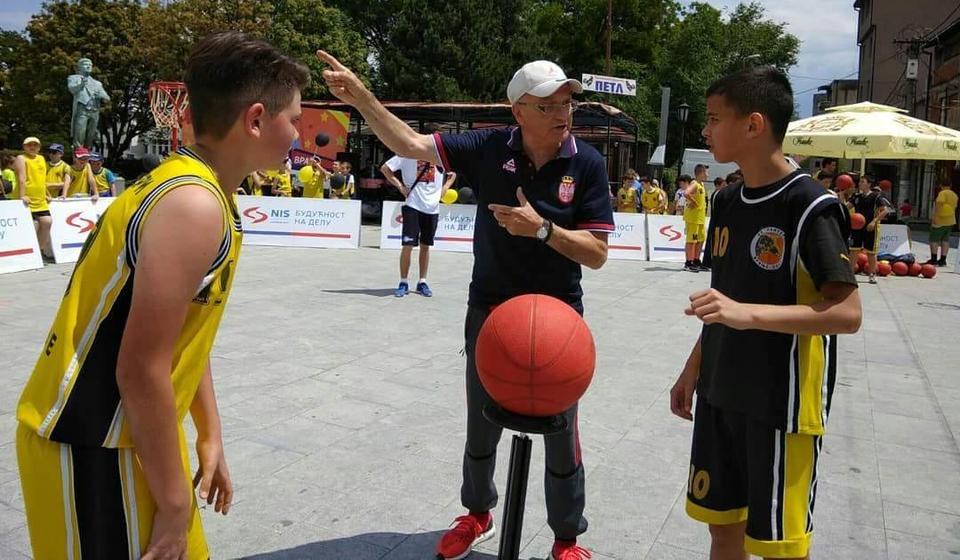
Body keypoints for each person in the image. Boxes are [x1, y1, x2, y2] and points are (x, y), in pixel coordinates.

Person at [15, 31, 309, 559]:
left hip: (135, 436)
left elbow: (182, 334)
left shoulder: (201, 190)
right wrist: (174, 506)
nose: (299, 133)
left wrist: (209, 431)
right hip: (94, 443)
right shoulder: (192, 205)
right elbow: (139, 366)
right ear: (257, 119)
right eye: (295, 118)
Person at [320, 52, 612, 560]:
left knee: (563, 431)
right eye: (548, 104)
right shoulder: (486, 146)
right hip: (492, 310)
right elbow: (411, 144)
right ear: (518, 110)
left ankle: (567, 537)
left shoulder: (586, 162)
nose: (563, 112)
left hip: (558, 315)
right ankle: (477, 513)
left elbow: (598, 255)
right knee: (482, 420)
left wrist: (541, 229)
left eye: (567, 101)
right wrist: (362, 98)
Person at [671, 65, 862, 560]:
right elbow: (725, 298)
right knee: (722, 528)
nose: (705, 130)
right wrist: (693, 368)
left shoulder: (811, 206)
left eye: (714, 118)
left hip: (781, 404)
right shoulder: (728, 201)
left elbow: (847, 313)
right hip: (721, 391)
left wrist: (749, 315)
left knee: (779, 546)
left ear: (753, 125)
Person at [381, 155, 456, 297]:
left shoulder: (440, 155)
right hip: (413, 205)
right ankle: (403, 282)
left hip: (432, 208)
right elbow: (385, 168)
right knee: (408, 245)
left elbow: (452, 173)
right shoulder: (407, 153)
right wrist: (400, 187)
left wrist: (446, 186)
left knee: (426, 246)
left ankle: (422, 281)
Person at [14, 137, 53, 261]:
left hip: (40, 200)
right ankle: (24, 253)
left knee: (47, 221)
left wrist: (46, 194)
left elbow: (42, 179)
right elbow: (22, 178)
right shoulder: (21, 158)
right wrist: (22, 196)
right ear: (24, 147)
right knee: (27, 226)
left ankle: (39, 252)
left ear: (39, 147)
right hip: (26, 199)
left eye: (35, 145)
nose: (32, 147)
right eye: (29, 145)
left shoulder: (41, 158)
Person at [847, 174, 888, 283]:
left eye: (863, 182)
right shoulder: (856, 196)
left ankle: (872, 274)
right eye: (860, 182)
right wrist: (841, 195)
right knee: (854, 250)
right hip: (857, 227)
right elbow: (846, 207)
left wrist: (874, 221)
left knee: (871, 252)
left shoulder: (876, 197)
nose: (860, 184)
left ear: (869, 184)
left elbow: (884, 211)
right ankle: (850, 275)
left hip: (871, 227)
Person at [682, 168, 707, 272]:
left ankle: (696, 260)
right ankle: (688, 263)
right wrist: (694, 202)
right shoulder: (695, 183)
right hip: (693, 218)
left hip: (700, 218)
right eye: (706, 172)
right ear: (700, 173)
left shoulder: (701, 184)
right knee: (691, 240)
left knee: (701, 239)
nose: (707, 174)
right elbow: (686, 193)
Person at [928, 179, 957, 266]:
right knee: (945, 240)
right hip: (950, 220)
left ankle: (934, 259)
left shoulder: (942, 193)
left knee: (934, 240)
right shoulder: (954, 195)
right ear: (950, 185)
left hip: (940, 220)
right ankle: (943, 260)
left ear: (941, 185)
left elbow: (939, 203)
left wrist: (934, 216)